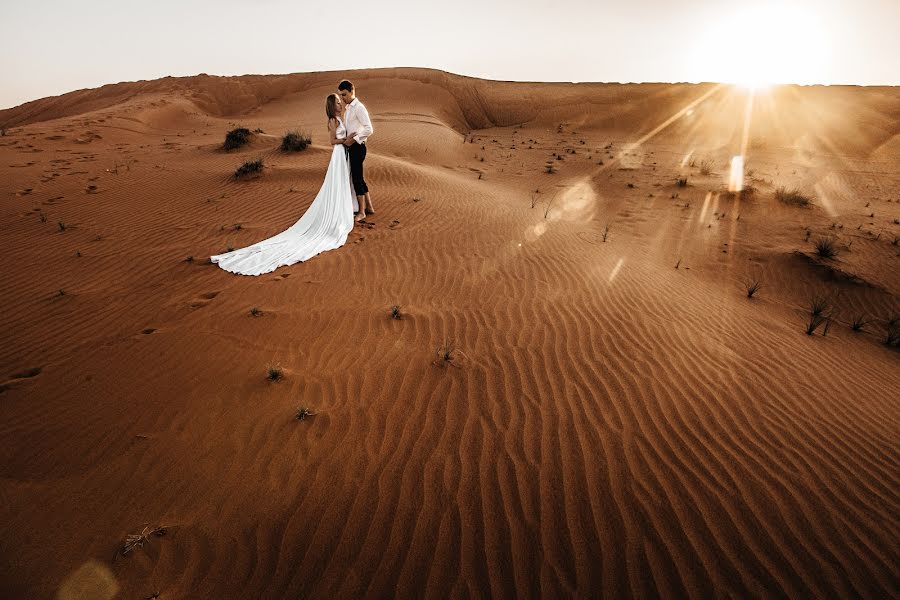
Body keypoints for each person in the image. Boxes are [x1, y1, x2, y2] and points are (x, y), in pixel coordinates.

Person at [209, 93, 356, 275]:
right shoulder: (332, 121)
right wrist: (346, 141)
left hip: (344, 155)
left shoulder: (340, 118)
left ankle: (346, 206)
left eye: (340, 102)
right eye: (337, 102)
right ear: (331, 106)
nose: (340, 104)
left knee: (343, 182)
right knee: (336, 184)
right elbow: (333, 141)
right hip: (339, 154)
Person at [337, 80, 374, 223]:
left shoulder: (359, 107)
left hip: (358, 147)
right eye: (340, 96)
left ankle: (362, 212)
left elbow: (369, 129)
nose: (342, 98)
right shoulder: (349, 108)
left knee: (356, 179)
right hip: (352, 147)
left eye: (344, 95)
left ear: (352, 91)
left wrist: (354, 139)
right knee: (359, 178)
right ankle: (369, 207)